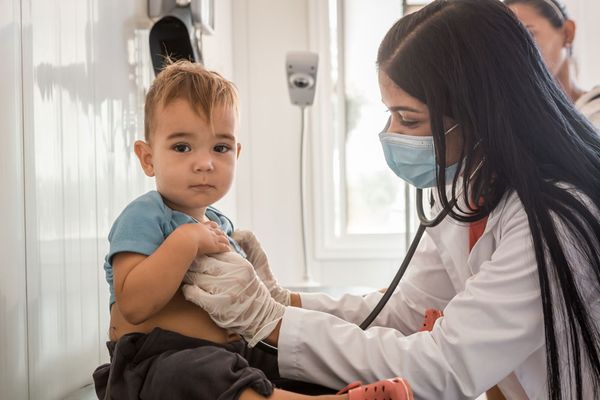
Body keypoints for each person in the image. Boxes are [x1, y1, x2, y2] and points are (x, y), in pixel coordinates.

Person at [183, 1, 600, 399]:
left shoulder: (553, 221)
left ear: (478, 113)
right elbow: (405, 313)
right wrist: (281, 299)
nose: (391, 133)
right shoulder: (467, 192)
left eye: (409, 118)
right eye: (390, 113)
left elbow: (445, 367)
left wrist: (269, 321)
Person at [92, 59, 414, 400]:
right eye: (182, 147)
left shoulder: (220, 224)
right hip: (151, 365)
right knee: (198, 373)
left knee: (292, 360)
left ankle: (393, 351)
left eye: (221, 148)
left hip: (232, 352)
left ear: (237, 152)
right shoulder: (145, 215)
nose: (205, 163)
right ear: (147, 158)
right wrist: (184, 242)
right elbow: (133, 304)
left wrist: (261, 288)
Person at [505, 0, 600, 128]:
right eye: (509, 40)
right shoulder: (517, 122)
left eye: (528, 34)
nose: (516, 49)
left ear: (567, 33)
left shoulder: (595, 109)